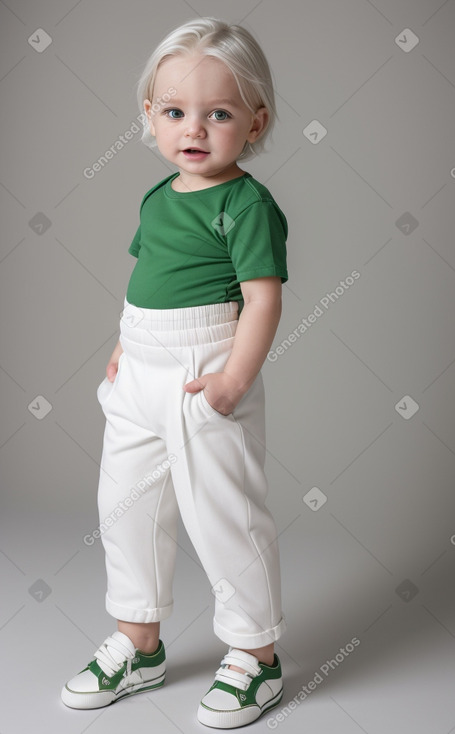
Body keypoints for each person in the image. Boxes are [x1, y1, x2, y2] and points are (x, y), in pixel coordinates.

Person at [61, 16, 289, 729]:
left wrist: (232, 381)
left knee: (223, 512)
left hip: (204, 370)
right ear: (150, 117)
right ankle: (139, 640)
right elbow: (148, 276)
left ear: (255, 123)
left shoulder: (244, 203)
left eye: (217, 114)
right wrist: (125, 342)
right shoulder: (159, 197)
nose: (193, 129)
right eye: (174, 112)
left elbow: (262, 298)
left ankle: (256, 653)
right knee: (124, 505)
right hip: (140, 369)